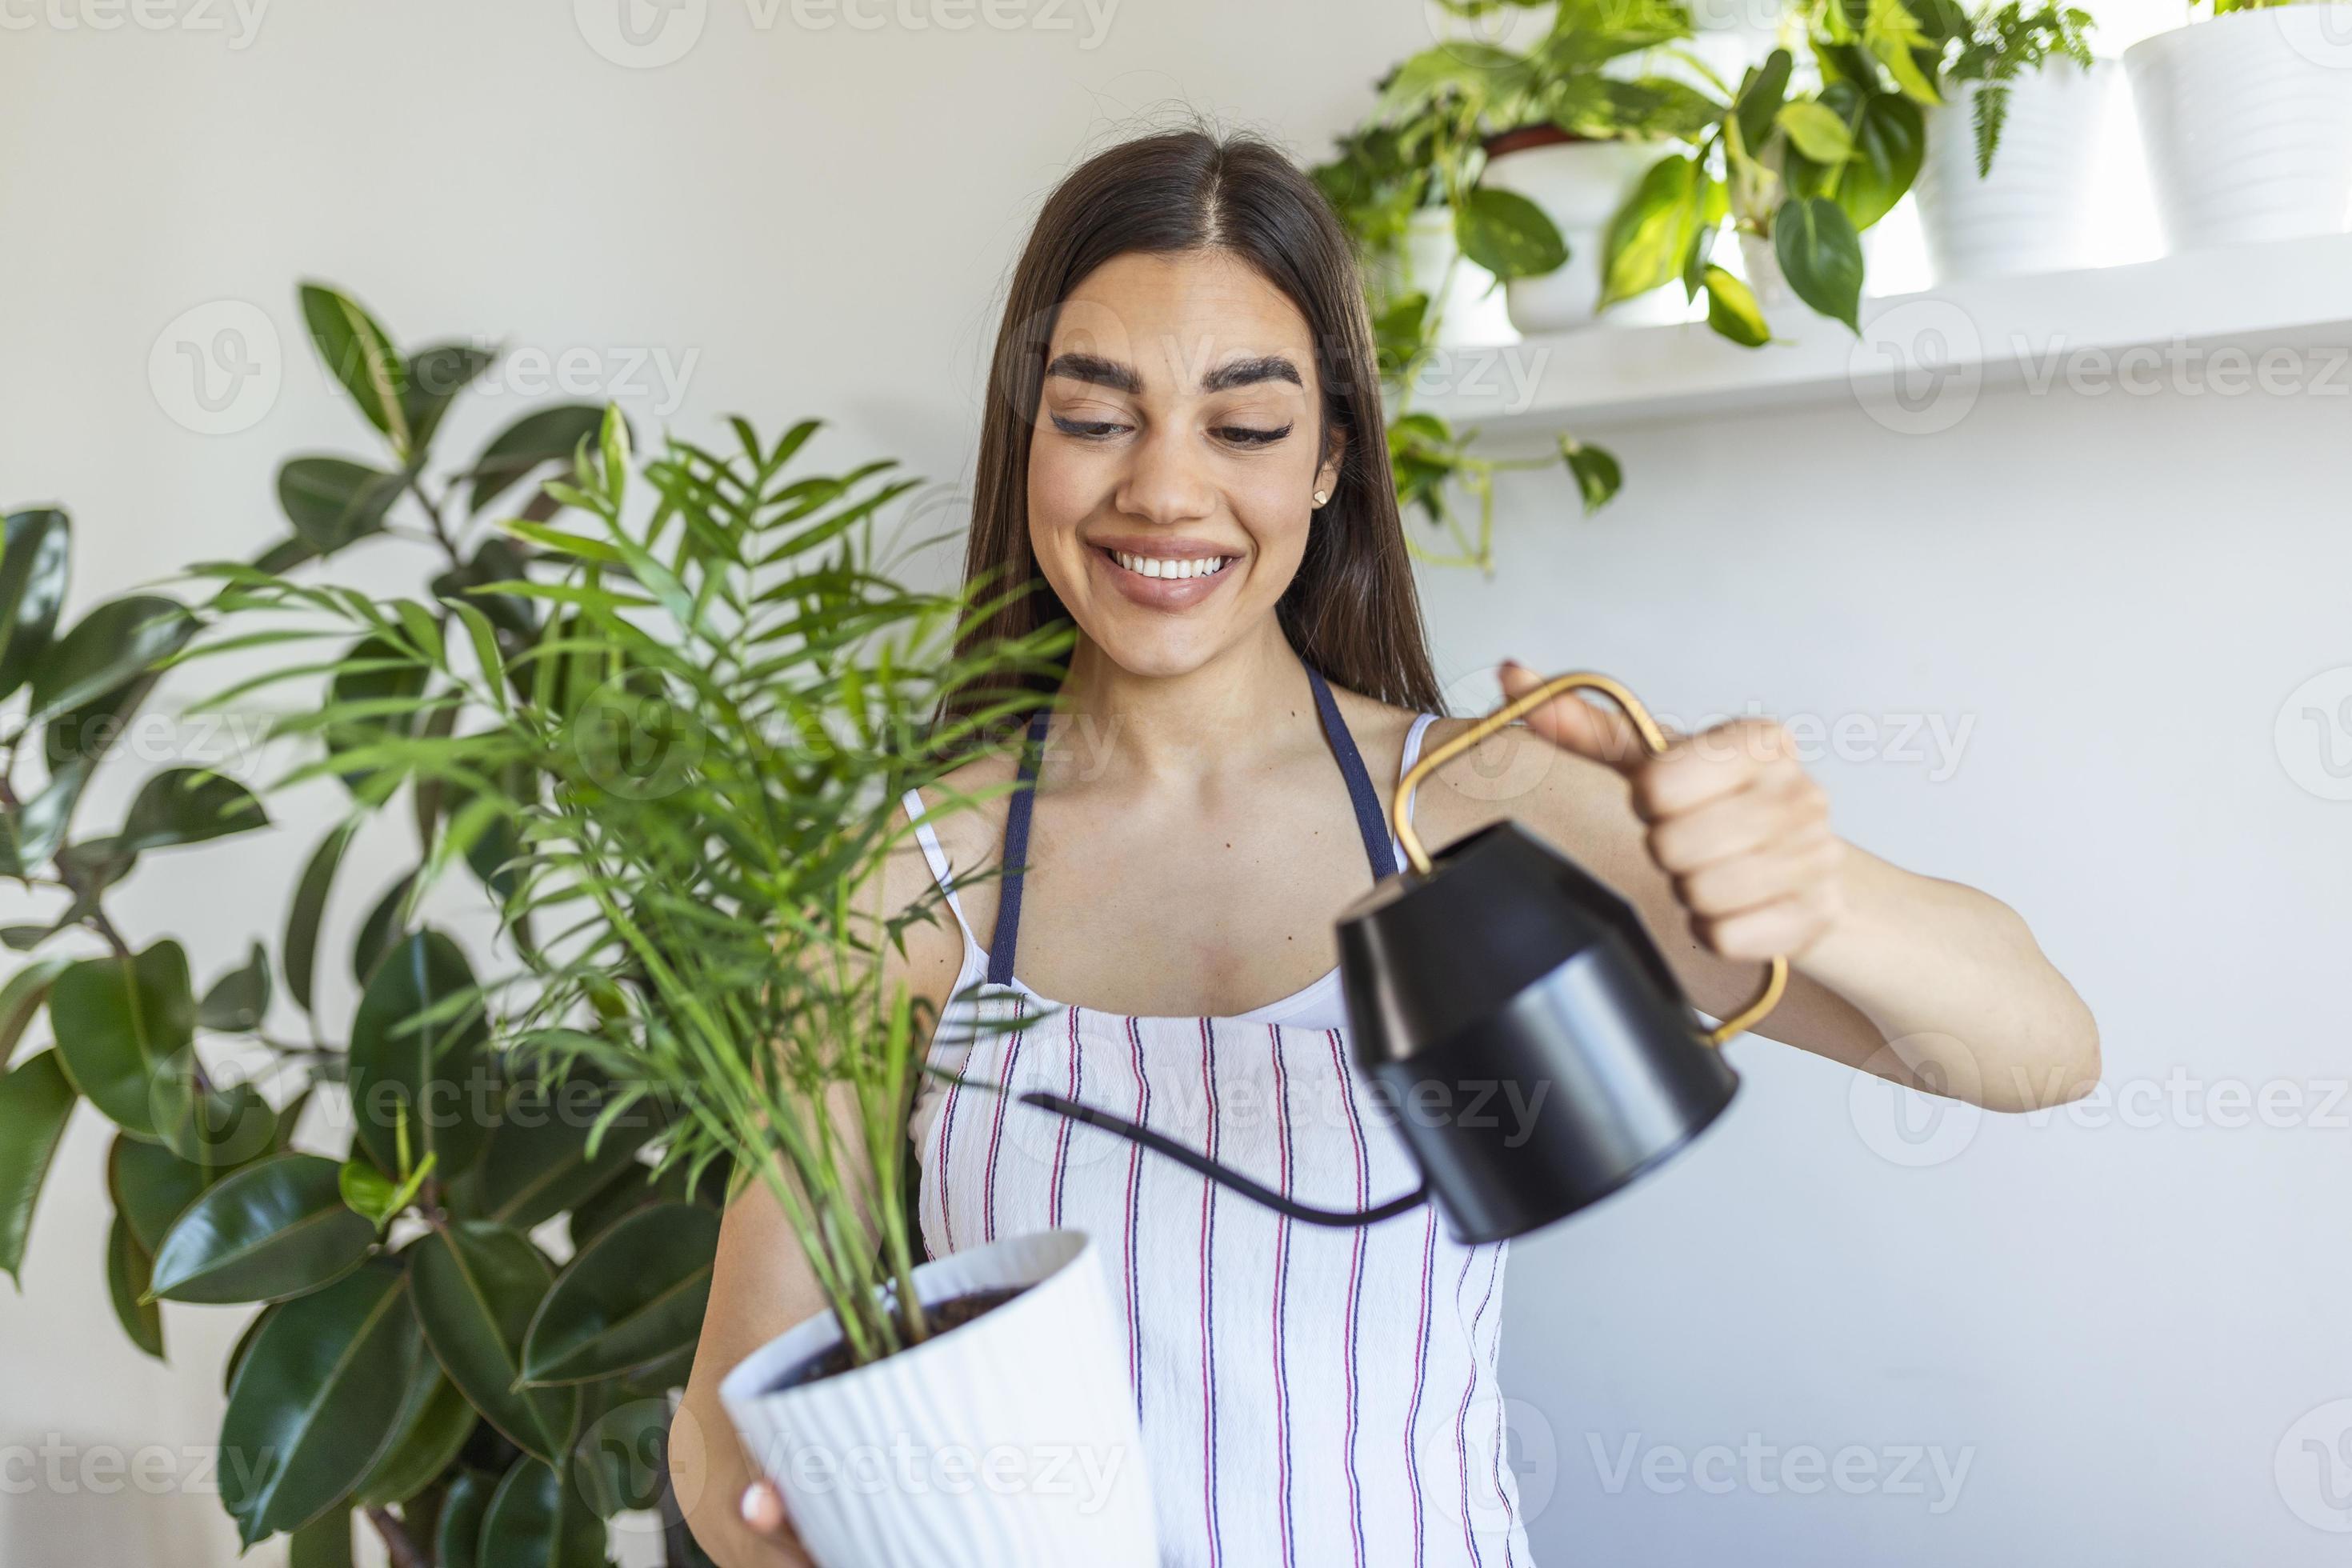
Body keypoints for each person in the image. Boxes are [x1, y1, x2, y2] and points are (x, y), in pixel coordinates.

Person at [672, 128, 2100, 1567]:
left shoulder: (1476, 812)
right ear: (1025, 434)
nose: (1165, 491)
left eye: (1243, 426)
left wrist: (1814, 887)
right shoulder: (910, 876)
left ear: (1328, 461)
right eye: (1097, 416)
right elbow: (737, 1418)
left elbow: (2038, 1051)